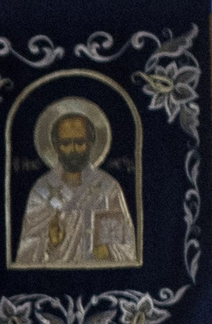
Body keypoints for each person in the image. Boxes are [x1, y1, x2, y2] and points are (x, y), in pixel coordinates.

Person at [16, 99, 137, 270]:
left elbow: (125, 246)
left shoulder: (108, 188)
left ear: (90, 143)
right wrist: (50, 243)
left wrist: (109, 252)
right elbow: (27, 252)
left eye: (79, 142)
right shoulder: (41, 191)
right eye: (66, 143)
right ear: (56, 146)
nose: (73, 149)